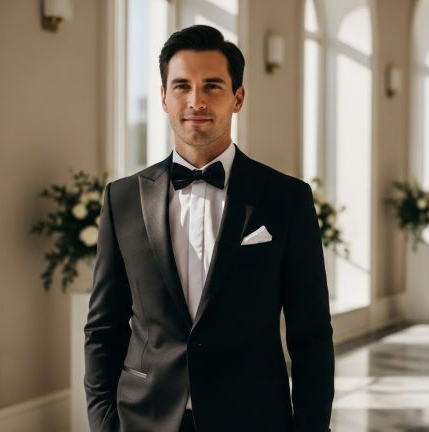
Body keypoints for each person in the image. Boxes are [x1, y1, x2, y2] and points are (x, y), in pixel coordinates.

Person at [84, 24, 334, 432]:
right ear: (164, 98)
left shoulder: (287, 199)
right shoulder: (122, 199)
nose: (195, 100)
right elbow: (103, 328)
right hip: (144, 419)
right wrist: (103, 424)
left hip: (253, 419)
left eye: (212, 86)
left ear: (238, 97)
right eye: (181, 86)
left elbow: (311, 334)